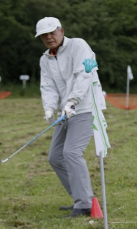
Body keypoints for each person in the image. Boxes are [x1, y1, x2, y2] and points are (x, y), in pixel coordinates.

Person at [35, 17, 106, 218]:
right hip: (64, 112)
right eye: (44, 35)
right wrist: (49, 109)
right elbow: (48, 86)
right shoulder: (45, 59)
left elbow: (85, 73)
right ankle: (81, 197)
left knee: (72, 152)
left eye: (52, 32)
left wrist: (73, 101)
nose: (49, 37)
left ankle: (84, 204)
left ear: (61, 31)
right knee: (55, 157)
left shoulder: (78, 45)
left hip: (85, 107)